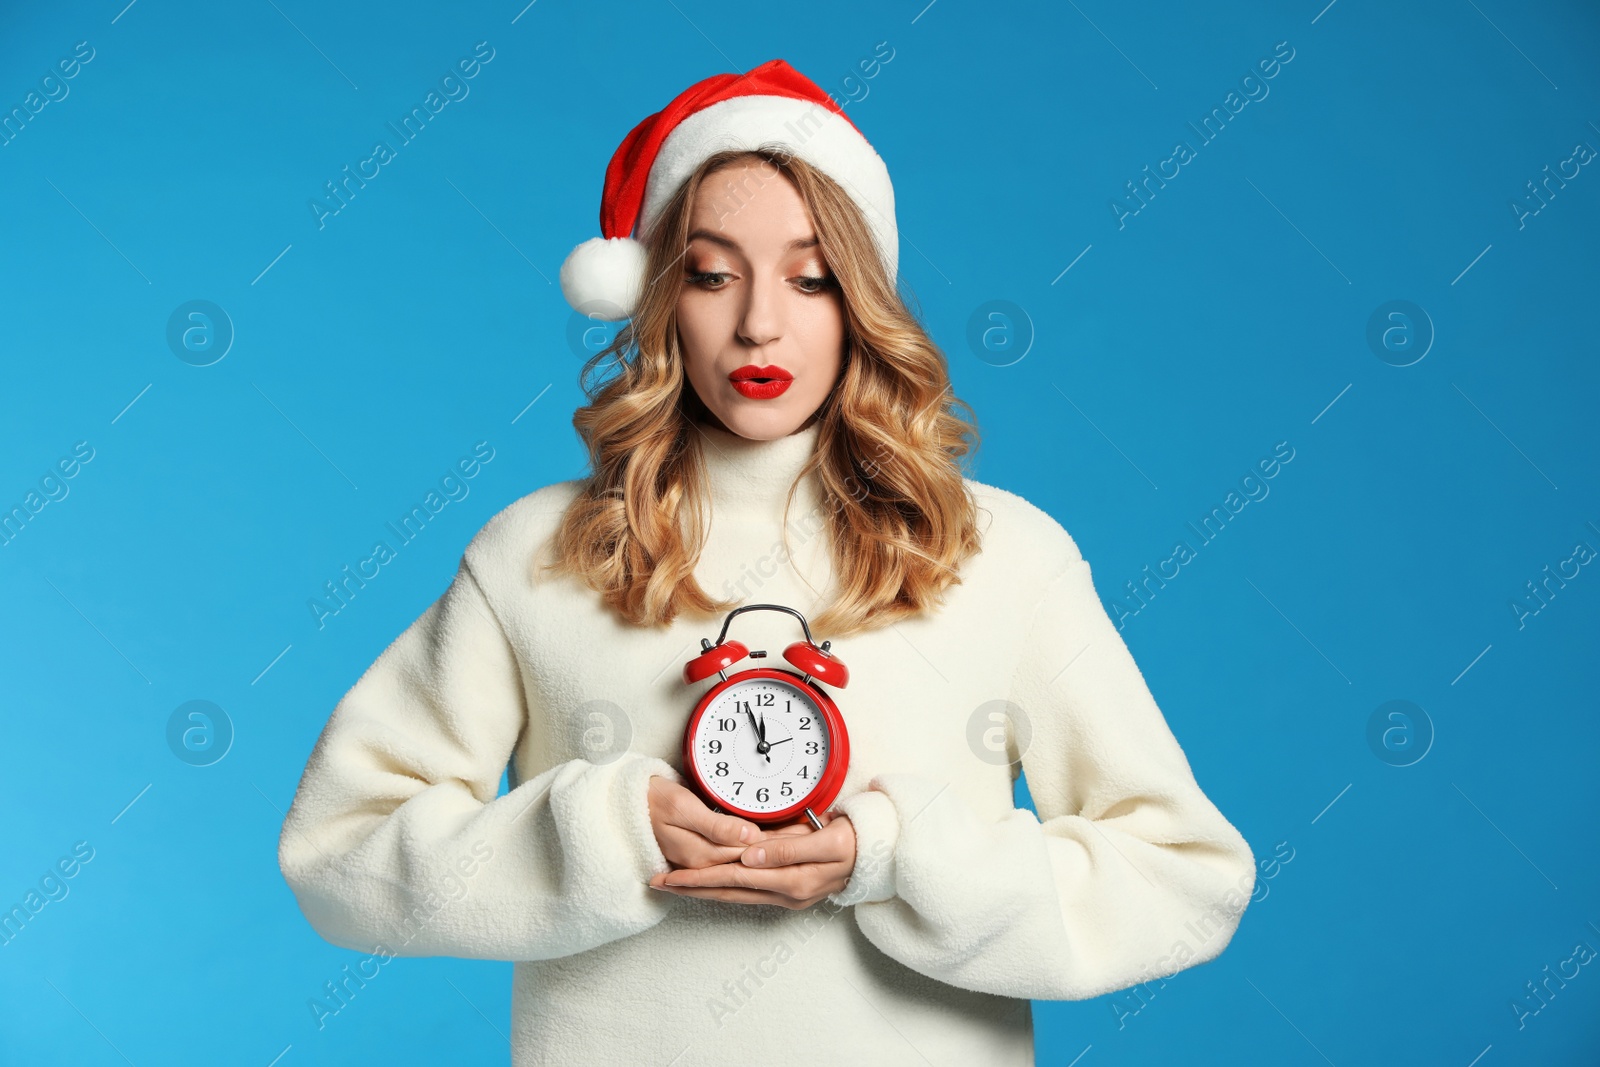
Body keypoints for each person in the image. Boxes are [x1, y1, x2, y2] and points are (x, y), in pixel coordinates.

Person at [277, 58, 1256, 1066]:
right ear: (658, 296)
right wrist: (602, 834)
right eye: (710, 272)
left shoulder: (1000, 555)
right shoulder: (536, 552)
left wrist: (895, 856)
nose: (757, 321)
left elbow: (1185, 879)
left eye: (810, 275)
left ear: (860, 300)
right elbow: (338, 849)